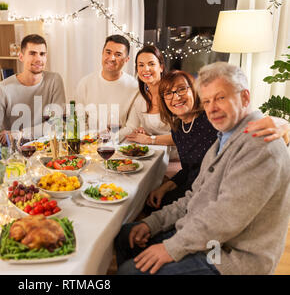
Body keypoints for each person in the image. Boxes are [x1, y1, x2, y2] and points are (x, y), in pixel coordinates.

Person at [115, 62, 290, 275]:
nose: (212, 108)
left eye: (220, 97)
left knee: (129, 271)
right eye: (207, 101)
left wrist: (171, 248)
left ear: (245, 97)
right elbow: (193, 196)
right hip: (206, 236)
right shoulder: (222, 139)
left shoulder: (260, 144)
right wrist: (152, 223)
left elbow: (225, 219)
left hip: (228, 255)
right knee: (127, 236)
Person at [145, 70, 289, 212]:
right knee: (149, 204)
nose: (176, 97)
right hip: (193, 189)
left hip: (216, 196)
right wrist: (165, 187)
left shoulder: (213, 119)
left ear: (194, 91)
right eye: (168, 93)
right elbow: (189, 169)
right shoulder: (178, 128)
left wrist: (283, 125)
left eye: (181, 89)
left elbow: (256, 124)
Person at [0, 34, 66, 142]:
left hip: (47, 150)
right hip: (15, 154)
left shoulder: (54, 80)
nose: (38, 58)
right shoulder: (2, 89)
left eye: (42, 54)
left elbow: (57, 124)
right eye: (32, 53)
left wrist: (20, 134)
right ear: (21, 57)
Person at [76, 34, 138, 135]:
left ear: (127, 59)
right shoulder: (85, 83)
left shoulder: (134, 87)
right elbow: (80, 121)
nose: (111, 58)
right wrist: (92, 138)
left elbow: (132, 126)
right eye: (108, 52)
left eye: (118, 54)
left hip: (120, 144)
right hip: (90, 144)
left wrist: (110, 137)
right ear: (102, 53)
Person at [121, 45, 174, 146]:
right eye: (141, 65)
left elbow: (185, 135)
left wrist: (149, 139)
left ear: (161, 67)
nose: (146, 69)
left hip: (176, 157)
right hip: (154, 154)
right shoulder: (140, 100)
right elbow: (132, 127)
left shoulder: (173, 94)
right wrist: (142, 132)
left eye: (151, 64)